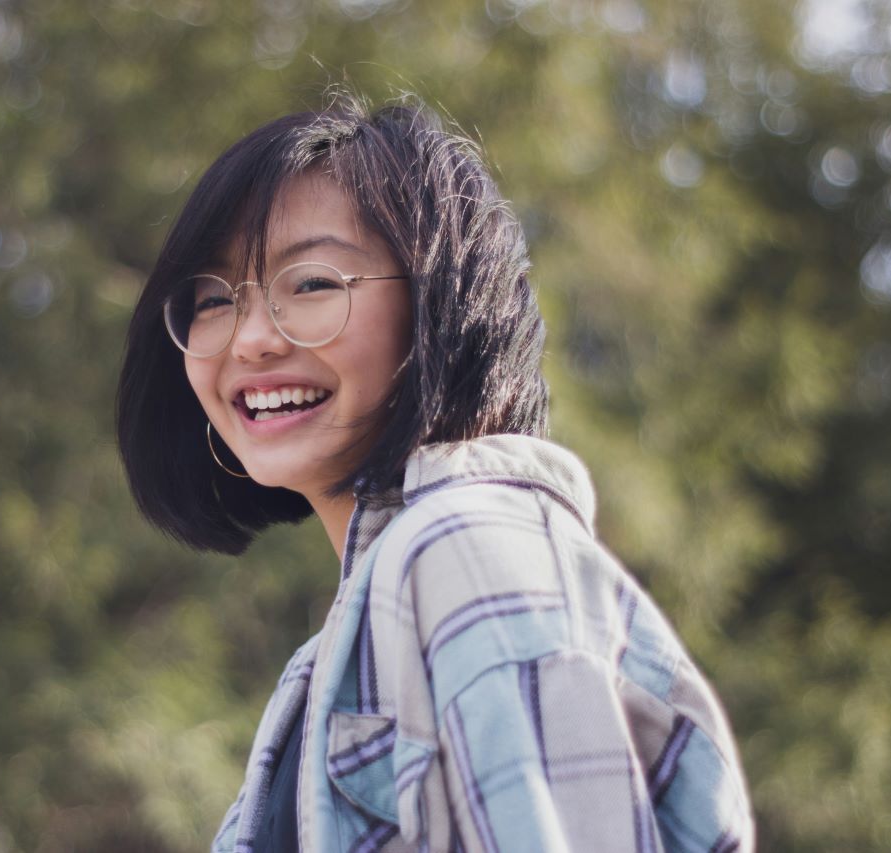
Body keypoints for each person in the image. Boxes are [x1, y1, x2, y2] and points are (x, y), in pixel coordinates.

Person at [116, 92, 754, 852]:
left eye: (313, 282)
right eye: (214, 298)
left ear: (439, 304)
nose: (251, 338)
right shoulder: (338, 647)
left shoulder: (466, 549)